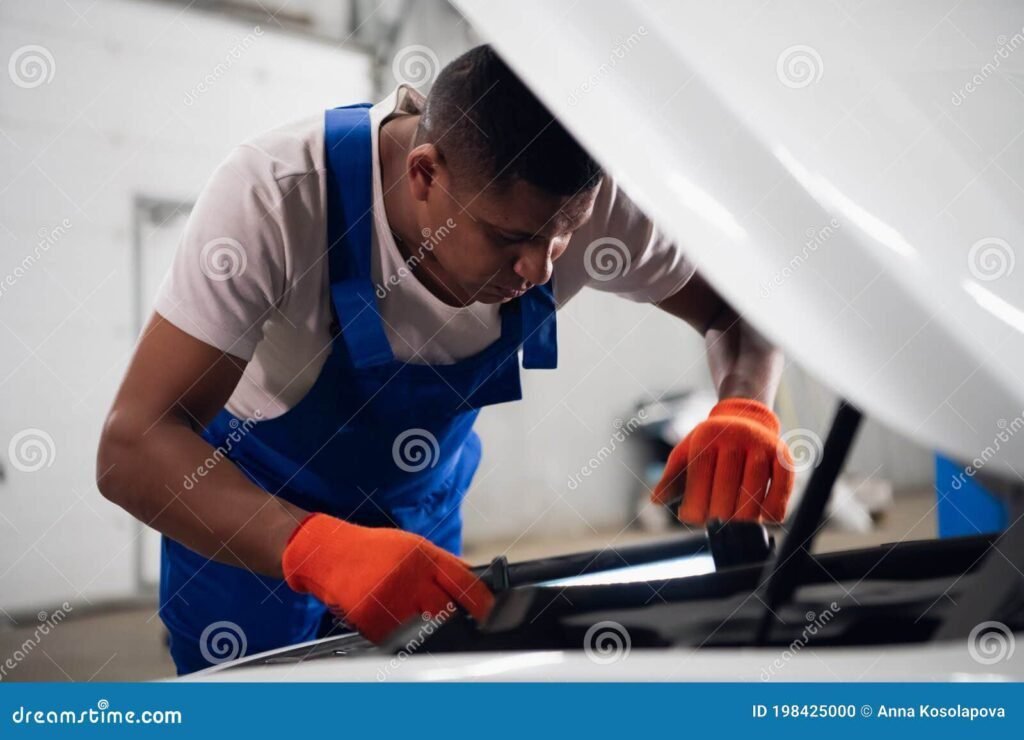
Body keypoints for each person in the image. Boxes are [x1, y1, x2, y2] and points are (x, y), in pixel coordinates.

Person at [97, 44, 793, 674]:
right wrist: (315, 548)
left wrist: (746, 405)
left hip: (418, 519)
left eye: (563, 237)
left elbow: (744, 307)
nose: (538, 266)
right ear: (424, 173)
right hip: (251, 526)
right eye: (508, 237)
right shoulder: (276, 196)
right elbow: (132, 447)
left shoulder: (585, 201)